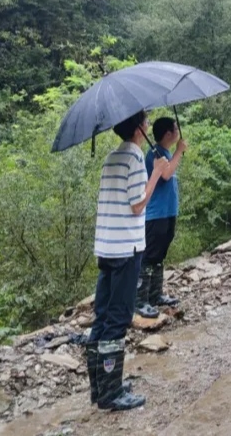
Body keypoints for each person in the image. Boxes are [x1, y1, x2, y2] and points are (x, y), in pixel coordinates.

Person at [85, 110, 163, 412]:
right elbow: (137, 205)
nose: (148, 125)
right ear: (138, 128)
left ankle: (101, 386)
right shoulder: (134, 158)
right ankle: (112, 393)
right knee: (118, 318)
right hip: (126, 249)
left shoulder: (111, 158)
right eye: (146, 121)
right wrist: (155, 173)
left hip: (106, 247)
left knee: (103, 315)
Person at [138, 116, 187, 310]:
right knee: (149, 257)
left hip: (168, 213)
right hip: (155, 215)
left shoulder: (164, 152)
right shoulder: (155, 154)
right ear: (168, 134)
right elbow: (166, 174)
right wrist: (179, 151)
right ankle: (141, 300)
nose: (178, 132)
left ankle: (155, 295)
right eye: (175, 129)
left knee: (159, 256)